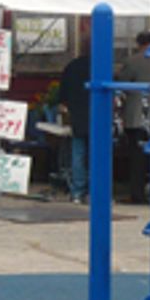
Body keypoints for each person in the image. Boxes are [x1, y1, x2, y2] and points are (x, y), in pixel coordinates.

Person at [116, 31, 150, 203]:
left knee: (137, 158)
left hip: (137, 115)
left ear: (139, 44)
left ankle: (137, 194)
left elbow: (121, 83)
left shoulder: (133, 61)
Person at [58, 38, 92, 203]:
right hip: (98, 115)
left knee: (77, 154)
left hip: (77, 114)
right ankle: (94, 191)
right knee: (97, 155)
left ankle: (77, 191)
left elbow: (62, 93)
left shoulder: (72, 66)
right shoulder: (102, 66)